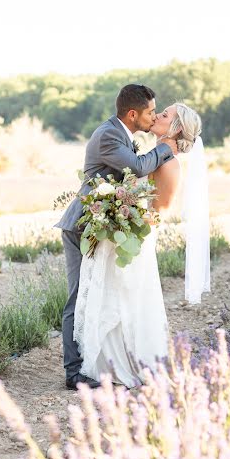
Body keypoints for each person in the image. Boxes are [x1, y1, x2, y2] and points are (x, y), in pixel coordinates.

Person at [73, 102, 210, 390]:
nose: (157, 116)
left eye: (165, 115)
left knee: (127, 296)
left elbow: (158, 211)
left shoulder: (169, 164)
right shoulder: (151, 157)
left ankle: (127, 363)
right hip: (122, 233)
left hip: (137, 238)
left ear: (175, 128)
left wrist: (124, 217)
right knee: (115, 293)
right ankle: (107, 361)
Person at [55, 84, 178, 390]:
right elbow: (136, 168)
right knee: (79, 295)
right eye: (151, 111)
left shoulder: (123, 135)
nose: (153, 117)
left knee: (96, 295)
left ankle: (95, 362)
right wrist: (166, 149)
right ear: (133, 113)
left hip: (100, 227)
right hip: (82, 227)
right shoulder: (109, 134)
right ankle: (74, 373)